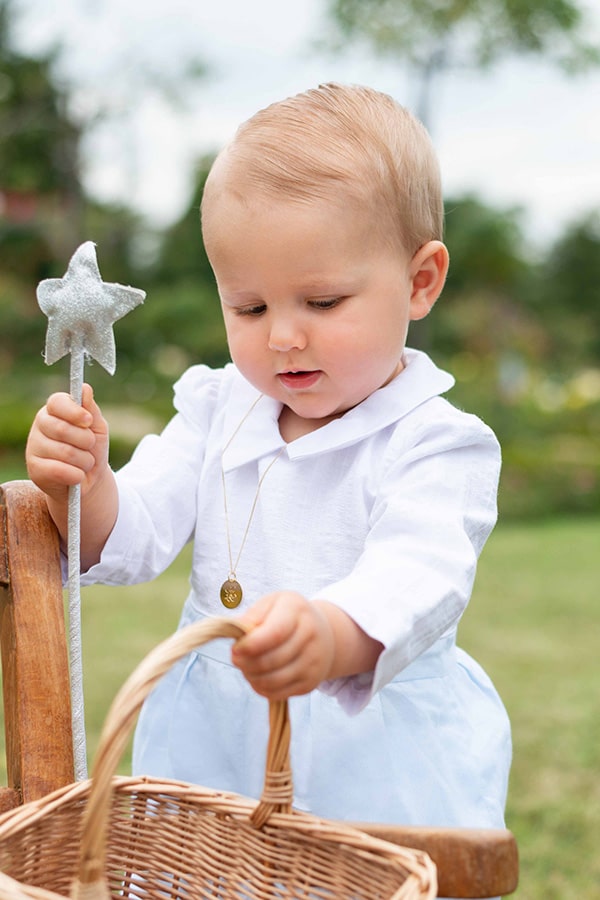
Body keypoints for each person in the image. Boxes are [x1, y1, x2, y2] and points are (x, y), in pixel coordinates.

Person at [26, 83, 511, 830]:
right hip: (214, 741)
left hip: (371, 754)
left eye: (321, 303)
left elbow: (418, 576)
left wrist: (329, 632)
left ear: (420, 282)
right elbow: (133, 534)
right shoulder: (219, 406)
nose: (282, 335)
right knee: (210, 874)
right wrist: (84, 484)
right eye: (249, 307)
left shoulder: (437, 444)